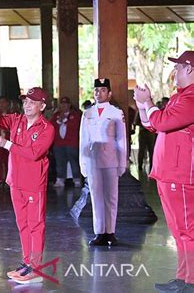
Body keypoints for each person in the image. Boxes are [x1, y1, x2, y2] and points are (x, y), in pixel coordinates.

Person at [0, 87, 55, 284]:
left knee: (36, 225)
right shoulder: (17, 119)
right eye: (25, 101)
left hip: (34, 184)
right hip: (16, 182)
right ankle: (27, 263)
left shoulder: (47, 129)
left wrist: (7, 145)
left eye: (32, 102)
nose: (27, 105)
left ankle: (35, 269)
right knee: (23, 224)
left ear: (42, 106)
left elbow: (34, 153)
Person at [134, 50, 194, 293]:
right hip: (169, 173)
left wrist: (148, 103)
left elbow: (161, 122)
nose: (174, 72)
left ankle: (190, 281)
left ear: (190, 69)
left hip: (180, 174)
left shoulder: (191, 98)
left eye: (178, 67)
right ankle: (184, 277)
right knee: (179, 230)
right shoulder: (179, 97)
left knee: (187, 230)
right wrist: (142, 103)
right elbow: (151, 124)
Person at [80, 78, 127, 247]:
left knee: (111, 197)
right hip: (93, 161)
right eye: (96, 90)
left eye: (102, 90)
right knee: (96, 197)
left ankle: (111, 232)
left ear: (109, 93)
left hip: (111, 160)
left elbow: (121, 139)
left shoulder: (116, 113)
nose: (98, 93)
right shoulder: (88, 113)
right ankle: (99, 232)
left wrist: (122, 163)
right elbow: (83, 140)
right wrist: (83, 163)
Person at [50, 96, 81, 188]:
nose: (64, 106)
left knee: (74, 162)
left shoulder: (74, 115)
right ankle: (60, 179)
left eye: (65, 104)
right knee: (60, 162)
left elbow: (75, 125)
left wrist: (64, 120)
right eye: (62, 104)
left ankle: (77, 179)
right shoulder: (56, 115)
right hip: (59, 143)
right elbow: (51, 125)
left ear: (69, 105)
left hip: (71, 143)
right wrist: (59, 120)